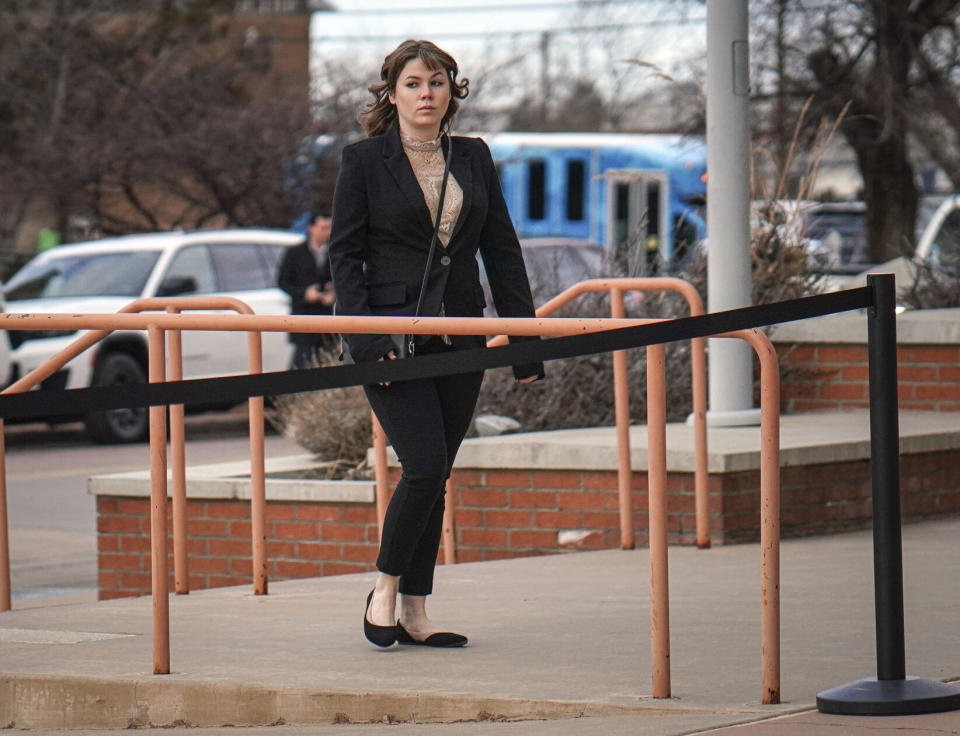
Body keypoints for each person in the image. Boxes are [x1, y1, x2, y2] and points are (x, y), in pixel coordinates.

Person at [328, 39, 544, 648]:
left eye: (438, 83)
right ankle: (385, 588)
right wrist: (366, 343)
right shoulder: (364, 161)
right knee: (422, 466)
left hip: (463, 335)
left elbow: (501, 251)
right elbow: (344, 257)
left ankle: (416, 612)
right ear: (392, 93)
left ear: (453, 92)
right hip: (391, 339)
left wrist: (525, 343)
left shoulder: (472, 156)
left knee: (437, 473)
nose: (427, 94)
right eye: (414, 84)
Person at [278, 213, 337, 368]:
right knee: (305, 366)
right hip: (303, 322)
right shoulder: (295, 252)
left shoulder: (335, 252)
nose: (327, 232)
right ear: (311, 228)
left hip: (329, 324)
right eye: (323, 228)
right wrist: (305, 294)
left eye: (329, 227)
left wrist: (333, 294)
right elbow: (283, 282)